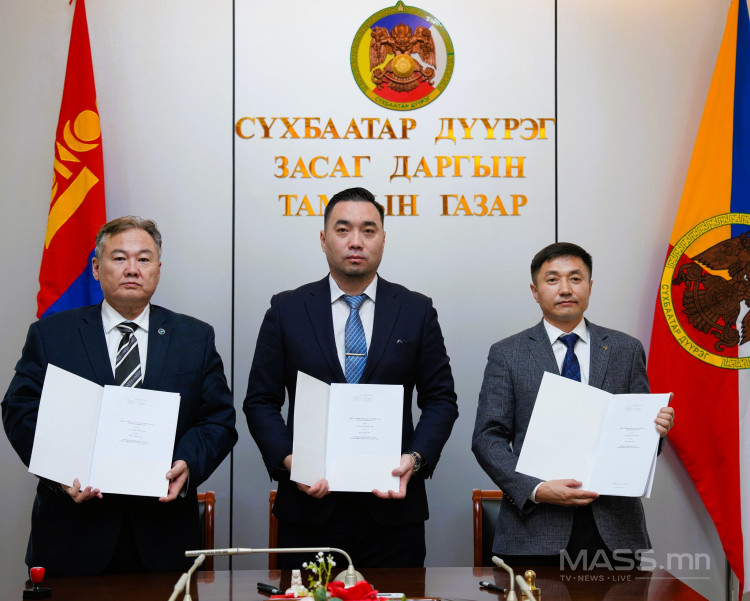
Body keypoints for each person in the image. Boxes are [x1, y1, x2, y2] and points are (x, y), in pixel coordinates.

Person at [2, 216, 237, 575]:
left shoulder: (194, 337)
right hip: (73, 532)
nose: (132, 269)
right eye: (119, 258)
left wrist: (187, 463)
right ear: (96, 269)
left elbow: (218, 418)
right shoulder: (52, 335)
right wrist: (60, 470)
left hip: (163, 535)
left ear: (158, 269)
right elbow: (20, 410)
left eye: (143, 259)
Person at [244, 186, 458, 568]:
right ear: (323, 239)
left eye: (368, 230)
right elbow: (261, 400)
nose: (356, 241)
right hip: (309, 510)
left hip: (393, 514)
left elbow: (440, 399)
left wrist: (415, 459)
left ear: (383, 239)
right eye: (343, 230)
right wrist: (291, 461)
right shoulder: (287, 309)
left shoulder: (415, 310)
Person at [471, 242, 675, 568]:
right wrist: (536, 489)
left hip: (613, 531)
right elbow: (487, 438)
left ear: (590, 287)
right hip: (534, 530)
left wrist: (655, 431)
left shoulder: (625, 349)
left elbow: (641, 444)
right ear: (535, 291)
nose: (565, 289)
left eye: (575, 278)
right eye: (552, 279)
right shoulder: (508, 353)